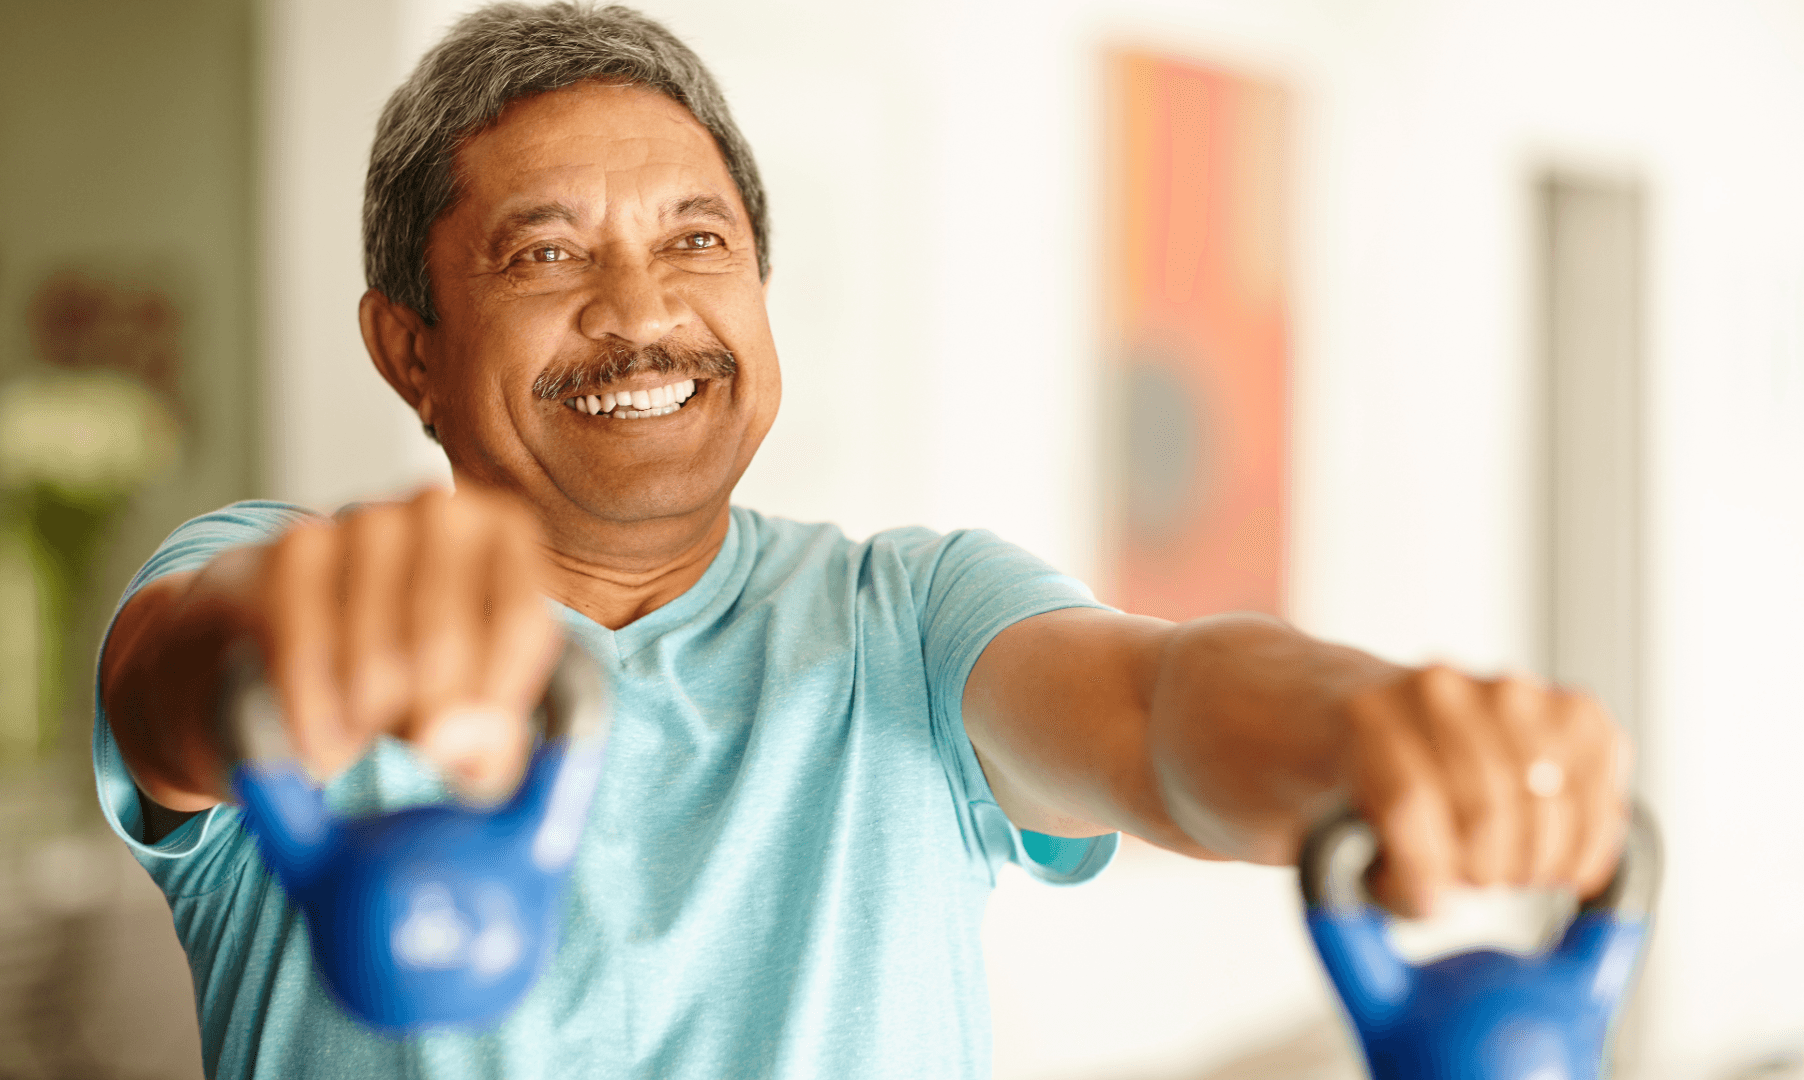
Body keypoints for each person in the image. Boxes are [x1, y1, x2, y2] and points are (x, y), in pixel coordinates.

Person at [94, 4, 1633, 1078]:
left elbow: (1164, 711)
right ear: (407, 346)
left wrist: (1375, 736)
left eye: (698, 241)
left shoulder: (911, 620)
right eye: (547, 252)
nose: (642, 311)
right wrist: (306, 638)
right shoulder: (274, 590)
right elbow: (185, 678)